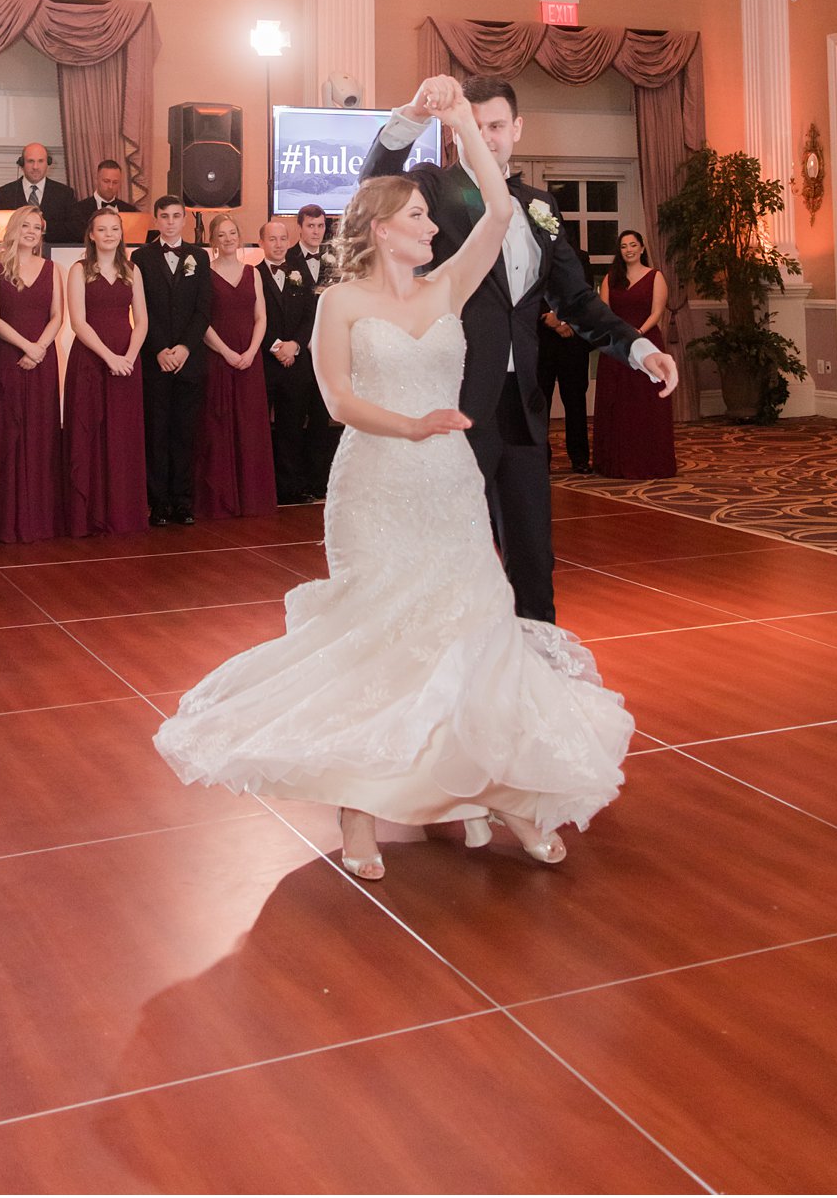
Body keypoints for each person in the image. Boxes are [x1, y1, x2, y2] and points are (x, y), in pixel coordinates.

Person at [155, 89, 634, 882]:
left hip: (447, 486)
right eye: (416, 216)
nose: (430, 225)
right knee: (379, 644)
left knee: (473, 634)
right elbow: (339, 399)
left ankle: (498, 789)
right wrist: (410, 425)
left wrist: (459, 131)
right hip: (376, 487)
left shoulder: (448, 288)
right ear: (380, 228)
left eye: (429, 215)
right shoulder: (338, 301)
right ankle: (358, 808)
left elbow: (501, 213)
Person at [362, 75, 678, 623]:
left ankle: (538, 670)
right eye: (475, 127)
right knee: (451, 553)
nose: (487, 138)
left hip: (524, 407)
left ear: (517, 130)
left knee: (533, 557)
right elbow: (374, 186)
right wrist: (412, 113)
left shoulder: (540, 206)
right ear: (458, 134)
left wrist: (637, 348)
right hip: (455, 402)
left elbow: (576, 299)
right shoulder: (436, 190)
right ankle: (452, 676)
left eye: (497, 126)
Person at [0, 204, 65, 543]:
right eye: (25, 225)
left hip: (42, 361)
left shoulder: (52, 268)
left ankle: (39, 517)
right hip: (6, 360)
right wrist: (27, 346)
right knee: (3, 434)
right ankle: (0, 518)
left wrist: (39, 347)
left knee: (39, 436)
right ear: (13, 229)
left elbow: (58, 316)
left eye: (36, 227)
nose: (30, 231)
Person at [62, 207, 149, 538]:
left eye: (115, 228)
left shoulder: (132, 270)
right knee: (92, 435)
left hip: (127, 363)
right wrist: (109, 357)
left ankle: (122, 512)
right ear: (92, 235)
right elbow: (78, 322)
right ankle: (90, 515)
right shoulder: (79, 270)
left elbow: (141, 321)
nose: (110, 234)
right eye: (103, 229)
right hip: (91, 361)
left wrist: (128, 354)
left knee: (122, 437)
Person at [132, 197, 211, 527]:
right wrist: (159, 350)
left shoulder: (199, 256)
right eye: (164, 216)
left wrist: (184, 348)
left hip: (189, 360)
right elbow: (140, 310)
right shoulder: (140, 257)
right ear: (156, 219)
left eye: (176, 216)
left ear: (183, 219)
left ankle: (182, 501)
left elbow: (203, 309)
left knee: (184, 433)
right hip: (155, 359)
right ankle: (158, 503)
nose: (170, 222)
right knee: (156, 432)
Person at [196, 216, 277, 520]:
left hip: (249, 360)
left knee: (250, 427)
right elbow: (201, 320)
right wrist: (227, 352)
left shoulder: (252, 273)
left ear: (239, 237)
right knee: (218, 427)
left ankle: (252, 498)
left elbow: (261, 318)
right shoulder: (205, 273)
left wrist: (251, 351)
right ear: (213, 240)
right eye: (221, 234)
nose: (228, 238)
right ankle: (221, 500)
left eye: (232, 233)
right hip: (218, 357)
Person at [593, 230, 677, 479]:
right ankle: (613, 464)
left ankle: (651, 462)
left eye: (633, 245)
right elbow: (604, 311)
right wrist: (620, 335)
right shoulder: (611, 278)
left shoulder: (655, 277)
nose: (628, 249)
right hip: (616, 346)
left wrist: (637, 334)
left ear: (642, 248)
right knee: (616, 402)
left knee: (646, 404)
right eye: (623, 246)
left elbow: (657, 312)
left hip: (647, 342)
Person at [257, 218, 318, 505]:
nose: (279, 244)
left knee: (292, 428)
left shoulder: (301, 273)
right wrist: (276, 346)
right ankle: (263, 488)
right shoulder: (253, 275)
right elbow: (253, 317)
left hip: (296, 363)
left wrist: (294, 346)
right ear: (262, 243)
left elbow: (310, 314)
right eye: (273, 239)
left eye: (283, 239)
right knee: (260, 428)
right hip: (265, 363)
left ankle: (291, 487)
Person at [282, 203, 340, 496]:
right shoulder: (287, 259)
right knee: (292, 419)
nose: (316, 232)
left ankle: (319, 483)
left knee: (321, 419)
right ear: (300, 227)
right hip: (298, 351)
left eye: (320, 226)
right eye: (310, 226)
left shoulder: (336, 260)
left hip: (329, 350)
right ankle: (292, 486)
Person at [537, 272, 594, 477]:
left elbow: (585, 297)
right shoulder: (533, 254)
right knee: (540, 404)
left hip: (573, 342)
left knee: (576, 402)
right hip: (541, 342)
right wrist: (549, 317)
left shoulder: (580, 258)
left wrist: (563, 319)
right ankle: (540, 459)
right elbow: (528, 293)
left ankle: (579, 459)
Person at [0, 144, 77, 246]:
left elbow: (73, 230)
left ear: (48, 163)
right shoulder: (3, 194)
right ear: (22, 163)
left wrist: (44, 225)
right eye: (31, 161)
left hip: (51, 255)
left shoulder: (64, 193)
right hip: (14, 254)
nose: (35, 167)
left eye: (40, 161)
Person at [70, 159, 133, 242]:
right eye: (106, 181)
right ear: (96, 180)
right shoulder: (78, 210)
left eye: (115, 182)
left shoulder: (130, 211)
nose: (110, 186)